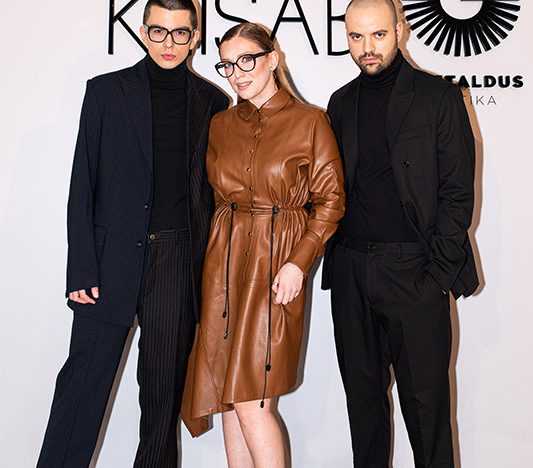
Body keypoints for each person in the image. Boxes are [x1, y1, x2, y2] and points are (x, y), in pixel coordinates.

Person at [36, 1, 228, 467]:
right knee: (82, 386)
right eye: (158, 32)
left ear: (195, 37)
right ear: (143, 33)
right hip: (109, 261)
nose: (169, 43)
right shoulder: (105, 92)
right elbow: (83, 183)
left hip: (177, 261)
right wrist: (81, 268)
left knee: (162, 400)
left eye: (180, 33)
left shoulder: (213, 103)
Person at [321, 1, 479, 467]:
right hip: (351, 274)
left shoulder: (438, 97)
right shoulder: (340, 103)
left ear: (400, 30)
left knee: (428, 417)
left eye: (378, 35)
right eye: (356, 37)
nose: (367, 48)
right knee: (363, 413)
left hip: (415, 273)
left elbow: (457, 193)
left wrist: (436, 277)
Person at [181, 22, 345, 468]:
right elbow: (212, 199)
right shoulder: (220, 125)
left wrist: (298, 264)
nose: (236, 73)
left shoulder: (310, 121)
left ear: (272, 59)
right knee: (230, 397)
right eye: (227, 65)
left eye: (246, 60)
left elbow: (331, 201)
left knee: (253, 401)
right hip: (223, 265)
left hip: (276, 266)